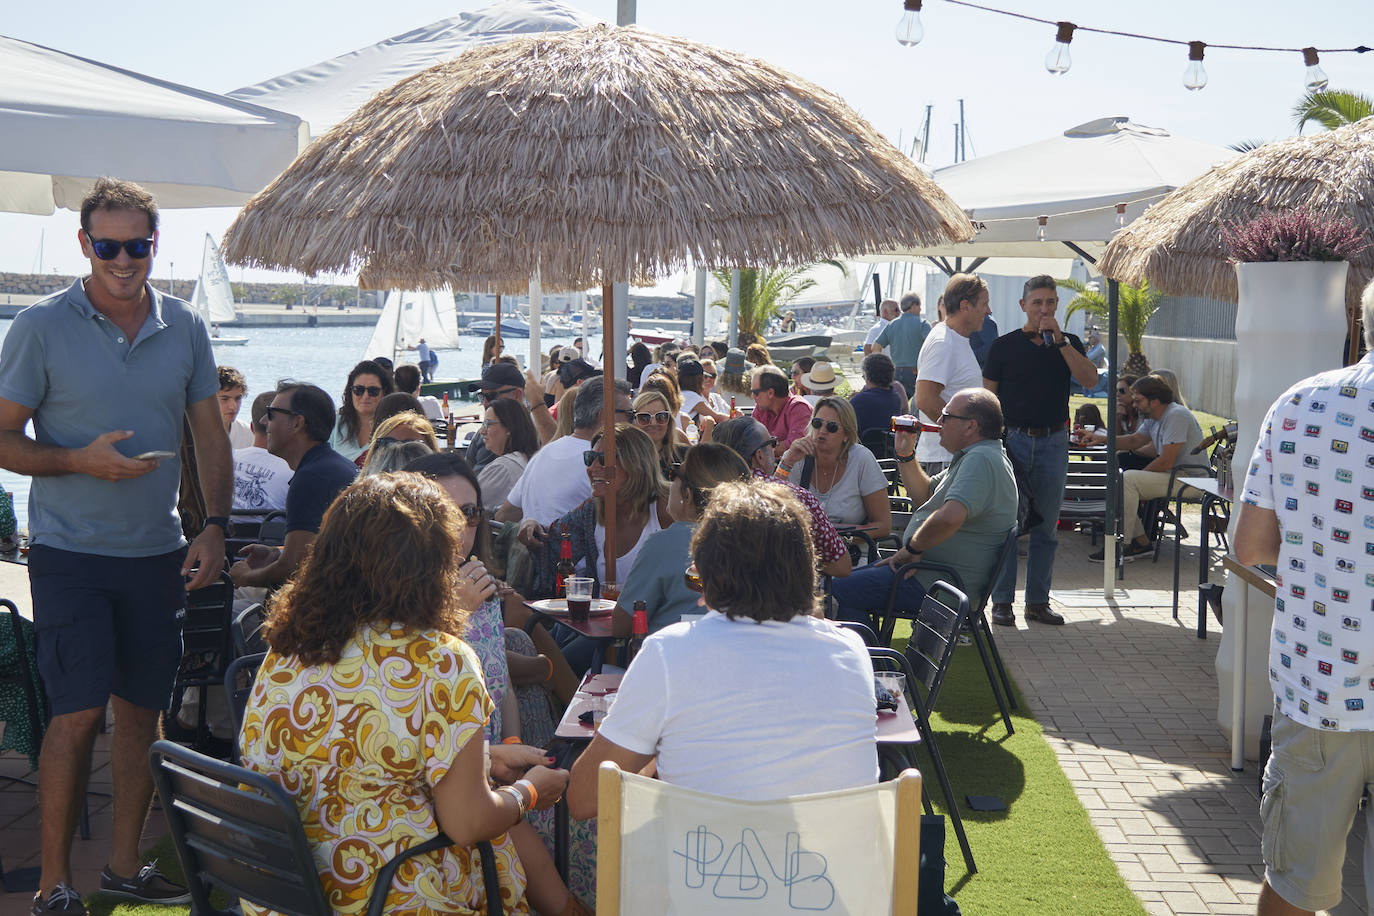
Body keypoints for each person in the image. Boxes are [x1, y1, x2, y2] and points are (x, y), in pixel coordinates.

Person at [0, 177, 231, 914]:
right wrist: (77, 460)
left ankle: (127, 868)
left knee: (141, 713)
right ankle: (53, 887)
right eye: (109, 245)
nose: (124, 259)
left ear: (153, 245)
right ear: (84, 245)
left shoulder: (186, 327)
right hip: (69, 555)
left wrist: (215, 527)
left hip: (156, 555)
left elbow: (208, 437)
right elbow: (3, 436)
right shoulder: (40, 326)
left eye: (137, 244)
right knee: (74, 715)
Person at [238, 474, 586, 916]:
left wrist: (484, 757)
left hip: (288, 896)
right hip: (393, 896)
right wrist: (531, 793)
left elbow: (357, 765)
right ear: (431, 564)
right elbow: (468, 822)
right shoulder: (440, 660)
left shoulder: (288, 648)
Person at [565, 479, 878, 817]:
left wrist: (655, 755)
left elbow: (582, 799)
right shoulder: (851, 651)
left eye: (696, 578)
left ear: (712, 574)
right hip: (827, 865)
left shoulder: (668, 654)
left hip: (700, 865)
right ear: (805, 570)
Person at [1233, 283, 1374, 916]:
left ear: (1361, 322)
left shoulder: (1299, 404)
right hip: (1321, 681)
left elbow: (1253, 545)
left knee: (1294, 885)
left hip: (1321, 681)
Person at [831, 388, 1017, 625]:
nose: (938, 421)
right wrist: (906, 454)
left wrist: (913, 549)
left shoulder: (981, 460)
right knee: (840, 586)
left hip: (940, 586)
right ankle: (876, 659)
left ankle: (877, 662)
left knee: (836, 591)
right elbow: (926, 495)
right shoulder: (980, 456)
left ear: (971, 426)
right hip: (935, 578)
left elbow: (950, 518)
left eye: (946, 416)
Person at [982, 275, 1100, 627]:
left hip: (1053, 442)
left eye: (1050, 302)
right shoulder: (1004, 346)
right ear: (1023, 306)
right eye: (1037, 303)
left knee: (1047, 528)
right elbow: (988, 399)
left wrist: (1060, 342)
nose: (1044, 309)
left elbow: (1091, 380)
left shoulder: (1070, 343)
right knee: (1007, 524)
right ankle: (1001, 602)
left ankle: (1037, 602)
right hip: (1014, 441)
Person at [520, 424, 671, 602]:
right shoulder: (591, 512)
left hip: (655, 625)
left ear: (635, 463)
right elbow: (550, 543)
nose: (592, 468)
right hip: (601, 625)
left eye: (604, 459)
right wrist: (529, 523)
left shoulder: (666, 507)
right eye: (590, 458)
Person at [230, 383, 358, 589]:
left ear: (298, 423)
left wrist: (244, 577)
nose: (263, 421)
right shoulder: (335, 466)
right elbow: (316, 550)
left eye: (271, 414)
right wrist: (278, 552)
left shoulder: (311, 478)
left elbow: (293, 568)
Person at [709, 417, 851, 578]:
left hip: (721, 595)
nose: (774, 450)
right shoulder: (799, 499)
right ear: (760, 456)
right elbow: (842, 566)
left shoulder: (706, 495)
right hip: (786, 597)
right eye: (772, 444)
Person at [1090, 374, 1205, 562]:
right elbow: (1134, 440)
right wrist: (1101, 439)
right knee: (1123, 481)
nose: (1134, 405)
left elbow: (1166, 461)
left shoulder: (1176, 415)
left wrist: (1137, 478)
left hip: (1192, 480)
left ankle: (1124, 544)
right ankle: (1140, 543)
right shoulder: (1154, 416)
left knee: (1127, 480)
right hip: (1177, 475)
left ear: (1156, 400)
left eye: (1138, 401)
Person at [495, 377, 633, 525]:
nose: (634, 422)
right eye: (629, 415)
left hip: (535, 546)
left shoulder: (542, 455)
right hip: (581, 547)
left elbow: (504, 515)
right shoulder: (604, 463)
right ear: (604, 416)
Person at [777, 396, 890, 532]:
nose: (822, 431)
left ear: (847, 434)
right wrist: (787, 463)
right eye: (817, 423)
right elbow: (769, 505)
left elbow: (883, 525)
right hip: (802, 550)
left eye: (832, 427)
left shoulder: (861, 459)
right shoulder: (797, 455)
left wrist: (841, 542)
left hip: (852, 549)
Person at [915, 273, 991, 474]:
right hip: (946, 459)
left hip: (951, 456)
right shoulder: (944, 342)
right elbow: (925, 399)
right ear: (965, 306)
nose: (988, 311)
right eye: (984, 304)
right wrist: (966, 437)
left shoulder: (951, 339)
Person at [465, 362, 555, 471]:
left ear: (517, 394)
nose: (485, 402)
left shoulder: (539, 427)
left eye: (490, 396)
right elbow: (467, 469)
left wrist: (538, 404)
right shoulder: (483, 432)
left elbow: (555, 455)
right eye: (481, 396)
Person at [232, 391, 293, 516]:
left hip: (222, 534)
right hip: (271, 535)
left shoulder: (225, 460)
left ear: (252, 427)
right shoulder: (293, 472)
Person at [477, 397, 541, 512]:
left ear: (508, 428)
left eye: (488, 424)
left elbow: (468, 505)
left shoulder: (502, 468)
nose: (482, 431)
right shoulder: (530, 459)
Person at [330, 359, 395, 461]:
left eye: (373, 391)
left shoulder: (394, 427)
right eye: (358, 390)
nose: (365, 396)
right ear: (350, 391)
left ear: (384, 392)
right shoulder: (336, 422)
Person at [875, 291, 932, 399]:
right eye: (919, 306)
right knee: (918, 405)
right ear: (914, 305)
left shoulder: (892, 325)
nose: (920, 309)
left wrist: (882, 367)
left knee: (898, 404)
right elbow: (931, 346)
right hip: (915, 371)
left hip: (896, 372)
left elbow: (876, 347)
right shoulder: (923, 324)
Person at [750, 364, 811, 450]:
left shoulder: (799, 408)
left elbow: (795, 446)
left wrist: (761, 450)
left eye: (755, 392)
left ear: (770, 393)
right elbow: (750, 440)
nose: (752, 396)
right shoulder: (761, 408)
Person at [631, 388, 689, 475]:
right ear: (633, 421)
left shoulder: (685, 456)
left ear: (669, 421)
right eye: (644, 418)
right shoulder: (624, 459)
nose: (653, 423)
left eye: (661, 417)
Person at [850, 353, 905, 441]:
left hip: (863, 449)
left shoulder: (859, 400)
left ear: (867, 376)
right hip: (888, 449)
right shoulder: (896, 398)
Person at [676, 356, 728, 426]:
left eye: (712, 376)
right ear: (698, 379)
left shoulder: (678, 394)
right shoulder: (692, 396)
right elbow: (717, 417)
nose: (706, 379)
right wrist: (736, 418)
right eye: (704, 377)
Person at [217, 366, 254, 448]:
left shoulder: (248, 433)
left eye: (238, 398)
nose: (233, 406)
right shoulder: (194, 433)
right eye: (225, 399)